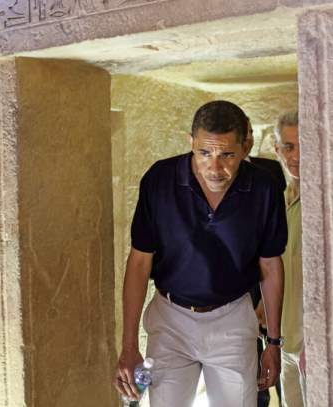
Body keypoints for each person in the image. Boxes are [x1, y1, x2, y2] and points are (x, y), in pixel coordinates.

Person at [114, 100, 288, 407]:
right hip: (170, 319)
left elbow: (270, 265)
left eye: (227, 155)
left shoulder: (263, 188)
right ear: (191, 143)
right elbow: (139, 263)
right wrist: (129, 346)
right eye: (204, 153)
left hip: (232, 318)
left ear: (245, 147)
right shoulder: (160, 180)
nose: (215, 167)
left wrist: (273, 343)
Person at [244, 117, 286, 407]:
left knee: (275, 358)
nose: (247, 139)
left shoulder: (269, 171)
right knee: (249, 362)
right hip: (240, 284)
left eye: (250, 133)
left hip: (269, 273)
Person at [273, 111, 306, 407]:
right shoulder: (280, 204)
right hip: (285, 344)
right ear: (277, 150)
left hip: (313, 345)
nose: (296, 156)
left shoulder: (323, 204)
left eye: (303, 145)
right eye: (289, 147)